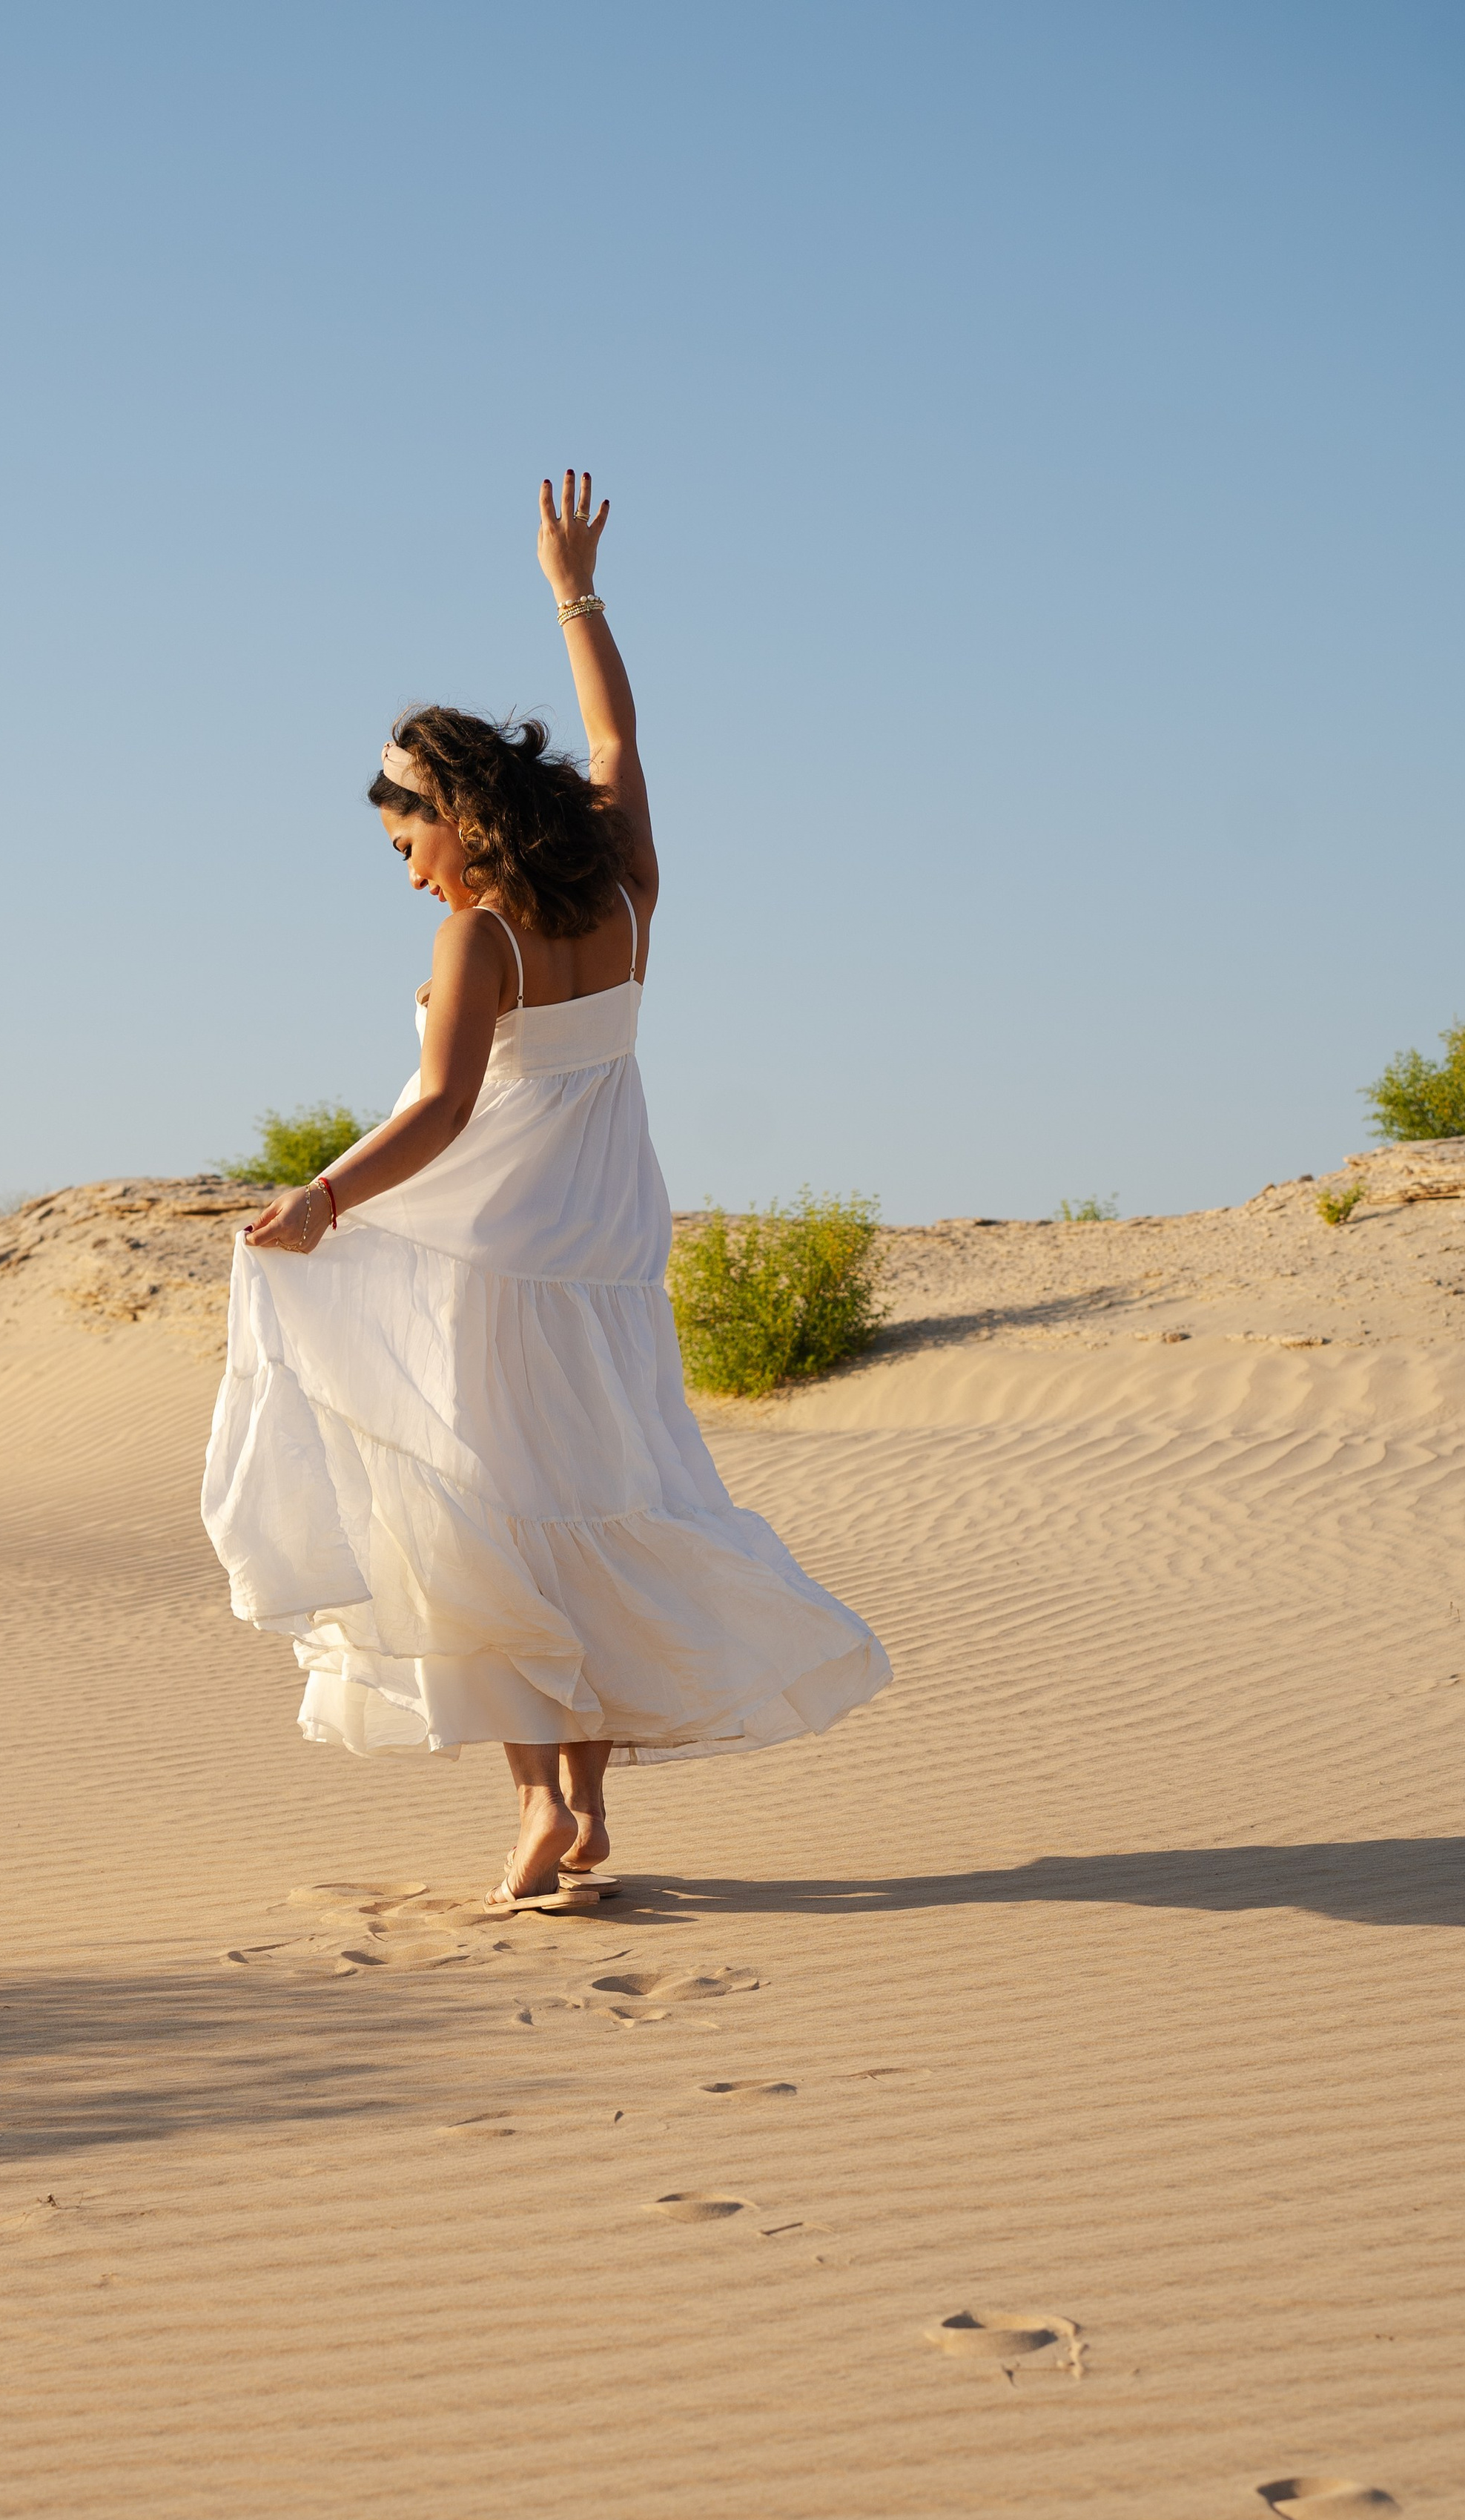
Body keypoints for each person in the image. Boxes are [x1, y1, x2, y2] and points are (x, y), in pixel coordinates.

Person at [201, 472, 890, 1910]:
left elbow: (445, 1110)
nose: (407, 880)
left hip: (490, 1255)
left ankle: (536, 1805)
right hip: (607, 1248)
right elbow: (615, 739)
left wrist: (323, 1200)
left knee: (479, 1518)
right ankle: (580, 1805)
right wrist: (572, 590)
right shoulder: (625, 890)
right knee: (585, 1501)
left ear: (450, 815)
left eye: (406, 844)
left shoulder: (481, 937)